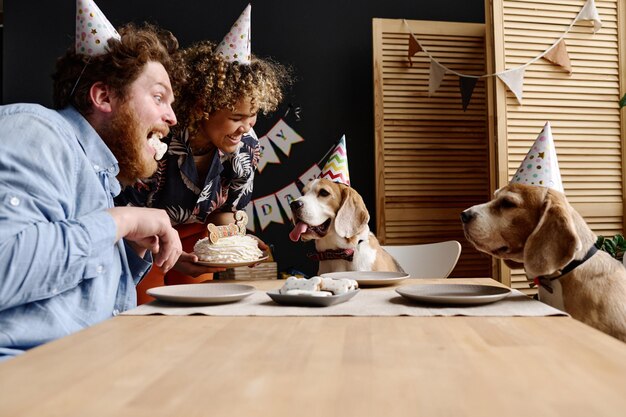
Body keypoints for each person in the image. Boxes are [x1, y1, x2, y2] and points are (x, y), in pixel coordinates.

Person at [0, 9, 184, 359]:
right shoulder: (37, 132)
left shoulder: (99, 182)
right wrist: (121, 221)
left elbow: (68, 309)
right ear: (103, 98)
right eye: (159, 97)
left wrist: (129, 251)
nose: (172, 117)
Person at [116, 6, 290, 303]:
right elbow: (127, 213)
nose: (246, 128)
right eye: (237, 116)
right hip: (140, 241)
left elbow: (226, 210)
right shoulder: (157, 138)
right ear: (202, 107)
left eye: (254, 116)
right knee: (145, 311)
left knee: (195, 308)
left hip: (199, 240)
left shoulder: (247, 146)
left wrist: (233, 244)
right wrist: (164, 251)